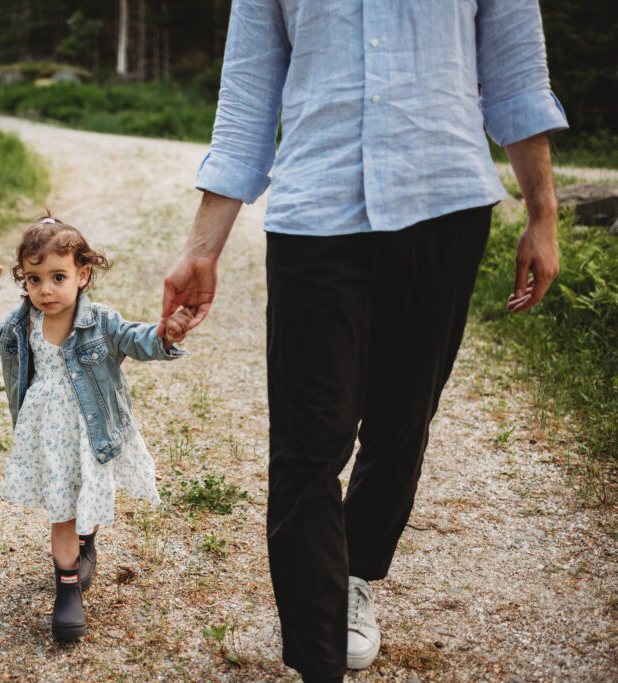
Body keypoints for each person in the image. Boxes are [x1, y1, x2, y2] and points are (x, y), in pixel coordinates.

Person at [158, 1, 568, 680]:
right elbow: (248, 103)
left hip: (446, 204)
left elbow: (516, 75)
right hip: (315, 214)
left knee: (401, 425)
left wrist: (544, 215)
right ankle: (318, 659)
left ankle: (355, 571)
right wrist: (203, 248)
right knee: (307, 447)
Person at [0, 215, 192, 641]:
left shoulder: (101, 322)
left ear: (83, 274)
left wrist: (165, 335)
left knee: (83, 497)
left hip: (89, 432)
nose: (45, 290)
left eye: (58, 276)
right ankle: (67, 590)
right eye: (34, 279)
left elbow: (136, 339)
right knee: (62, 509)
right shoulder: (24, 324)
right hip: (47, 436)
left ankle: (86, 541)